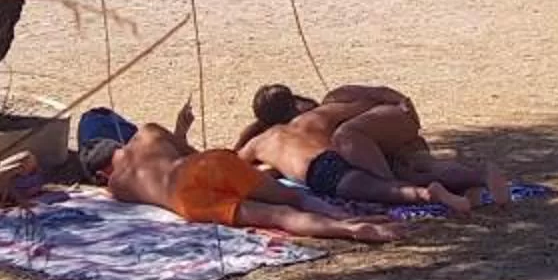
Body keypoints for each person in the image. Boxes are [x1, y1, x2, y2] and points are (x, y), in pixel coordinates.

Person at [84, 103, 397, 242]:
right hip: (202, 165)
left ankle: (350, 231)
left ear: (101, 172)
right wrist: (181, 129)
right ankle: (343, 215)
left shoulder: (117, 184)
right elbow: (186, 151)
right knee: (291, 197)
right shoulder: (148, 133)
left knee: (278, 216)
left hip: (186, 198)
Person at [235, 87, 483, 216]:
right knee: (394, 177)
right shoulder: (314, 117)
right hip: (345, 154)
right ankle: (469, 180)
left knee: (385, 191)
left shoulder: (263, 140)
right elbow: (361, 106)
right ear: (294, 102)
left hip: (321, 172)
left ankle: (430, 195)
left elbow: (232, 164)